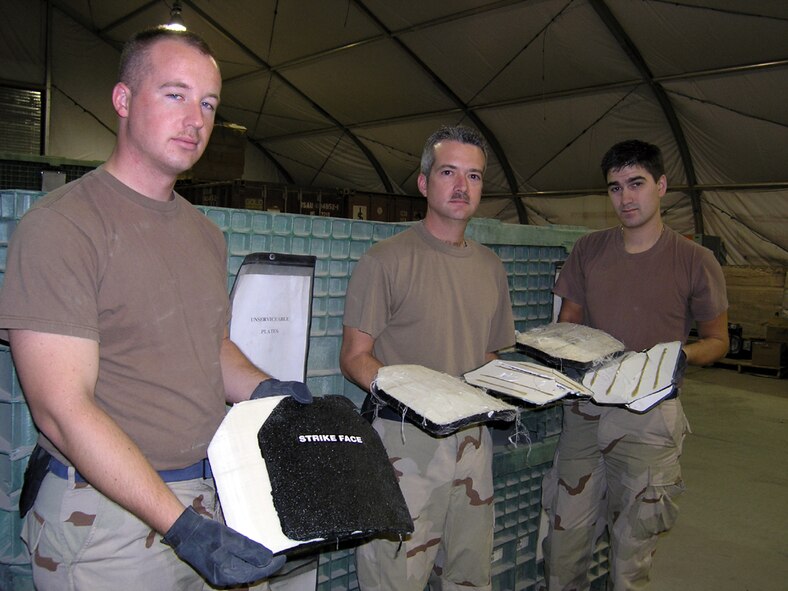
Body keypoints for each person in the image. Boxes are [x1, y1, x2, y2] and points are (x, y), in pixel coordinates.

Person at [0, 27, 313, 590]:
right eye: (175, 94)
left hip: (208, 497)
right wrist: (181, 528)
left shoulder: (204, 234)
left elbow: (208, 348)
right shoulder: (61, 226)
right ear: (123, 101)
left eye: (209, 103)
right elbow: (61, 412)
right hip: (104, 520)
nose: (196, 118)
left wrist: (269, 392)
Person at [542, 139, 729, 590]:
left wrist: (677, 357)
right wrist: (560, 350)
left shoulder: (694, 260)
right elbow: (568, 322)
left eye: (636, 184)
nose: (625, 198)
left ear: (661, 186)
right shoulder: (588, 251)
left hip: (650, 421)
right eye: (614, 188)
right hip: (585, 413)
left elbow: (717, 339)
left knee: (631, 556)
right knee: (563, 547)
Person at [340, 125, 516, 591]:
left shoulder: (490, 268)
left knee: (469, 571)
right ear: (424, 182)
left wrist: (515, 388)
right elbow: (356, 358)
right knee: (396, 575)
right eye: (449, 172)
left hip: (472, 444)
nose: (462, 187)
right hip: (405, 444)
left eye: (474, 176)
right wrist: (420, 399)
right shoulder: (386, 261)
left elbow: (486, 355)